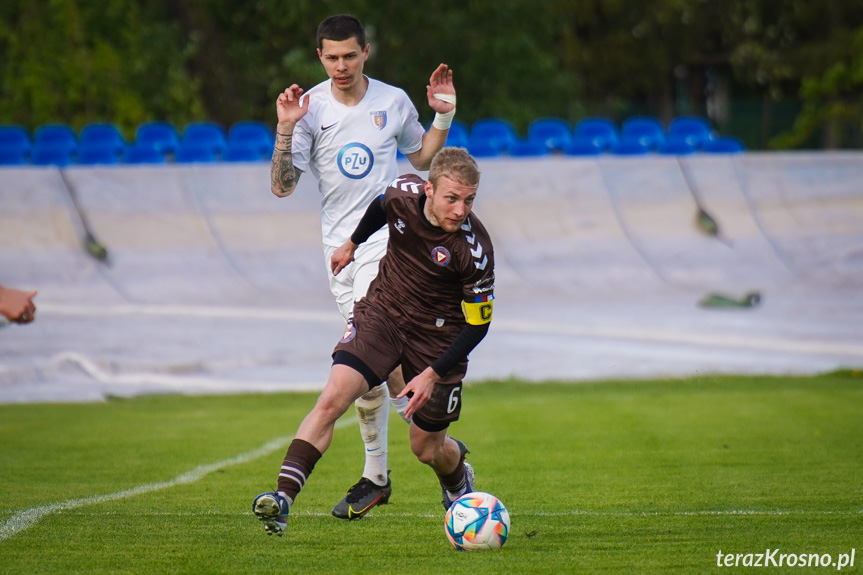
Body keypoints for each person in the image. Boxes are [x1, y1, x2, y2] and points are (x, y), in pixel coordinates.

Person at [269, 14, 457, 520]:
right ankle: (432, 458)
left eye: (349, 55)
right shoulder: (310, 109)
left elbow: (421, 160)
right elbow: (283, 185)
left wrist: (442, 117)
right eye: (331, 57)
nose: (341, 66)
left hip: (388, 244)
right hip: (338, 253)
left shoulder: (392, 101)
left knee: (365, 355)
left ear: (365, 52)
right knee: (373, 372)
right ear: (320, 57)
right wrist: (285, 128)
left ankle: (394, 466)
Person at [253, 147, 494, 536]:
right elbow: (382, 205)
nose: (460, 210)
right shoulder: (402, 193)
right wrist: (351, 242)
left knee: (427, 449)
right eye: (452, 198)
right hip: (382, 315)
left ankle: (457, 479)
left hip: (436, 340)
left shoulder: (474, 251)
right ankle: (281, 500)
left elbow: (478, 325)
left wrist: (433, 373)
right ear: (428, 190)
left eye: (469, 200)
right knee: (333, 397)